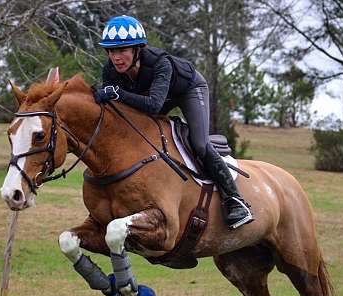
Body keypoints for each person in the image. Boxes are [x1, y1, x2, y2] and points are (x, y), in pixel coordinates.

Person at [94, 15, 254, 230]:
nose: (116, 57)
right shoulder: (110, 71)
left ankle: (235, 200)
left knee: (199, 143)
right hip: (156, 96)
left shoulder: (161, 63)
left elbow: (152, 105)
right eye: (112, 51)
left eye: (122, 50)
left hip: (189, 90)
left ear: (138, 50)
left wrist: (117, 93)